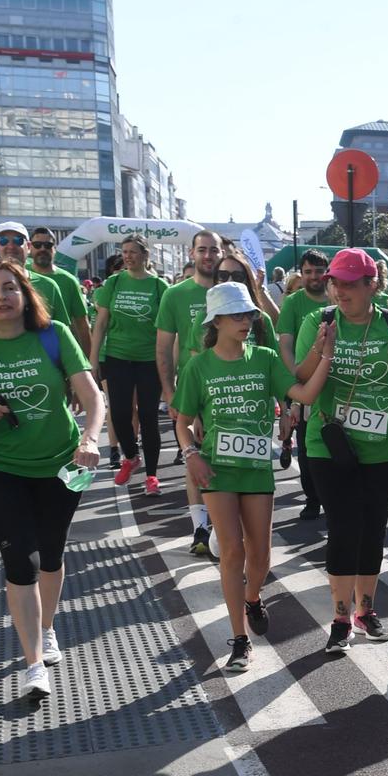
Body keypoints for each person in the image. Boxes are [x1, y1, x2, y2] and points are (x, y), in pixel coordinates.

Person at [0, 257, 107, 705]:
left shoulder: (53, 335)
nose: (2, 296)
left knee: (52, 553)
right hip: (0, 467)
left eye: (10, 288)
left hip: (62, 464)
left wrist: (91, 438)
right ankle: (34, 663)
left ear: (26, 295)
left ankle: (46, 625)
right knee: (20, 558)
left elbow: (91, 394)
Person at [174, 282, 332, 672]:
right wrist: (191, 454)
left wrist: (324, 355)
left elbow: (302, 394)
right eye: (236, 316)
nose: (245, 321)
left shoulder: (263, 358)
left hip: (256, 469)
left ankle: (253, 596)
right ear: (217, 322)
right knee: (231, 551)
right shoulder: (198, 366)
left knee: (259, 554)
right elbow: (181, 421)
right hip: (217, 469)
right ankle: (240, 639)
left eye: (248, 315)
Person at [290, 248, 388, 651]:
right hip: (329, 442)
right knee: (344, 527)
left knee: (372, 530)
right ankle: (341, 618)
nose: (339, 291)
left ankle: (367, 610)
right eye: (335, 282)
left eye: (349, 284)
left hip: (384, 446)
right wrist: (322, 348)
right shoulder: (320, 320)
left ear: (372, 285)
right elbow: (301, 376)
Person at [157, 230, 229, 547]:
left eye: (214, 250)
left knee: (227, 459)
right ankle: (200, 528)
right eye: (203, 250)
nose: (209, 255)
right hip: (192, 388)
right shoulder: (175, 295)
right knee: (195, 457)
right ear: (192, 254)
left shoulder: (232, 292)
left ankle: (224, 525)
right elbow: (163, 349)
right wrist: (171, 394)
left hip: (231, 386)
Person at [91, 236, 169, 495]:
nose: (127, 256)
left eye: (133, 252)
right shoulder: (114, 283)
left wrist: (170, 365)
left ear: (145, 255)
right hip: (117, 357)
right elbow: (100, 324)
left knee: (148, 417)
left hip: (149, 359)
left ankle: (152, 476)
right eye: (124, 252)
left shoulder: (159, 286)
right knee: (120, 413)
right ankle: (131, 456)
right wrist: (93, 359)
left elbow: (168, 330)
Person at [277, 249, 334, 520]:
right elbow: (285, 345)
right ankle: (313, 499)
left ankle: (334, 497)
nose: (314, 276)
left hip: (336, 383)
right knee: (308, 445)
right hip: (304, 384)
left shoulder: (338, 298)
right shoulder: (293, 303)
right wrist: (295, 384)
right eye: (308, 271)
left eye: (319, 270)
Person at [27, 225, 96, 351]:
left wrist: (88, 361)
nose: (42, 249)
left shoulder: (69, 281)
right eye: (37, 245)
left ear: (54, 249)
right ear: (29, 247)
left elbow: (82, 324)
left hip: (59, 351)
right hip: (26, 352)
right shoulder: (20, 274)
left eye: (48, 245)